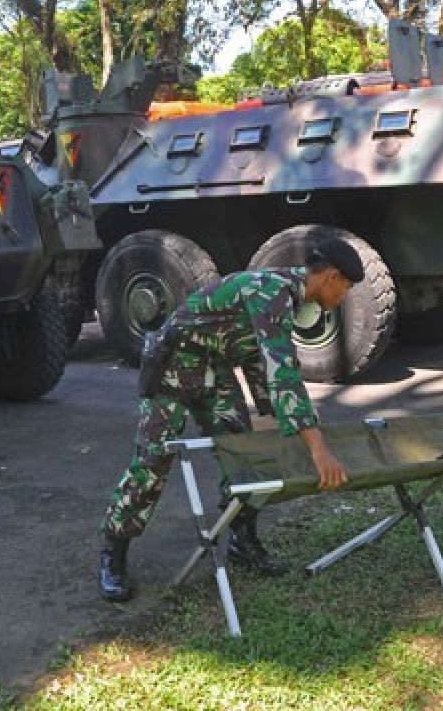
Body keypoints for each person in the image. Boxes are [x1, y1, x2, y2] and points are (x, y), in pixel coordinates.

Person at [98, 239, 359, 601]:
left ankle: (242, 541)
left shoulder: (288, 296)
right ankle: (114, 550)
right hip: (174, 366)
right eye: (346, 287)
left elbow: (259, 360)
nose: (343, 297)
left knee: (246, 455)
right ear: (332, 277)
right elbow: (281, 372)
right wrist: (318, 449)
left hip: (214, 370)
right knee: (153, 461)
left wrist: (273, 418)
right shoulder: (272, 291)